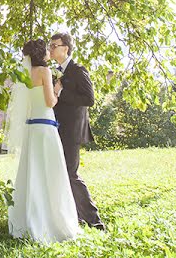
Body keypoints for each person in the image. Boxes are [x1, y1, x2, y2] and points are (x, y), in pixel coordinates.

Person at [6, 39, 81, 243]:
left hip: (31, 127)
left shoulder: (24, 75)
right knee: (51, 171)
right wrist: (57, 90)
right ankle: (50, 219)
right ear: (41, 53)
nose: (50, 52)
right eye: (47, 49)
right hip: (45, 126)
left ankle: (26, 219)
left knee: (32, 172)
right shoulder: (44, 72)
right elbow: (49, 102)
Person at [50, 31, 105, 230]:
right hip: (58, 129)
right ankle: (76, 217)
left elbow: (89, 99)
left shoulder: (78, 70)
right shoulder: (55, 71)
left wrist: (61, 92)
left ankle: (94, 221)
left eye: (54, 45)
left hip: (73, 130)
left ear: (65, 48)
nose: (51, 48)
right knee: (63, 174)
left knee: (71, 173)